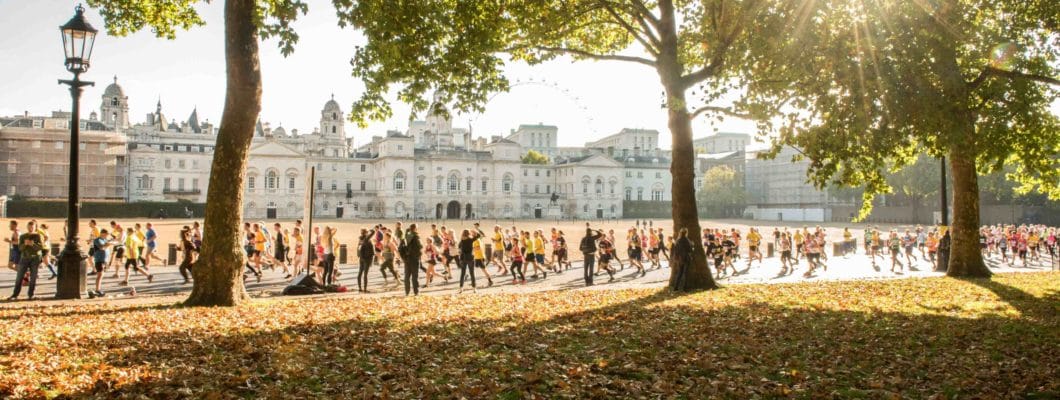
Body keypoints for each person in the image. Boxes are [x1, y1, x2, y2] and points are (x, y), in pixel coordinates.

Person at [8, 221, 45, 300]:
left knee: (33, 277)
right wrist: (25, 244)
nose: (30, 228)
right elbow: (20, 248)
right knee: (19, 276)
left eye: (32, 227)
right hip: (24, 258)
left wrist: (32, 244)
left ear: (35, 227)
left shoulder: (38, 236)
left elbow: (41, 247)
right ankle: (15, 294)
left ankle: (31, 294)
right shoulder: (23, 236)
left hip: (35, 258)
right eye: (29, 227)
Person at [89, 228, 114, 298]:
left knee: (101, 275)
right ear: (102, 233)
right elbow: (101, 247)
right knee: (99, 274)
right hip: (99, 259)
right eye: (106, 234)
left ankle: (98, 289)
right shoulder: (97, 240)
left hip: (104, 260)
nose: (107, 236)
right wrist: (108, 244)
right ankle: (97, 289)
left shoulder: (105, 240)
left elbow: (106, 247)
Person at [402, 224, 423, 296]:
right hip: (414, 258)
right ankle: (416, 292)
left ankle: (407, 292)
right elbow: (420, 246)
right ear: (415, 228)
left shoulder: (406, 236)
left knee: (407, 276)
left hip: (407, 258)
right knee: (415, 276)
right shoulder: (416, 236)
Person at [356, 229, 374, 293]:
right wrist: (370, 231)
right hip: (367, 258)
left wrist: (359, 256)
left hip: (361, 258)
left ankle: (360, 288)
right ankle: (365, 289)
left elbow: (358, 249)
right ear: (366, 233)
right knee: (365, 274)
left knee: (360, 273)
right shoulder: (366, 239)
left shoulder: (360, 240)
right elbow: (373, 232)